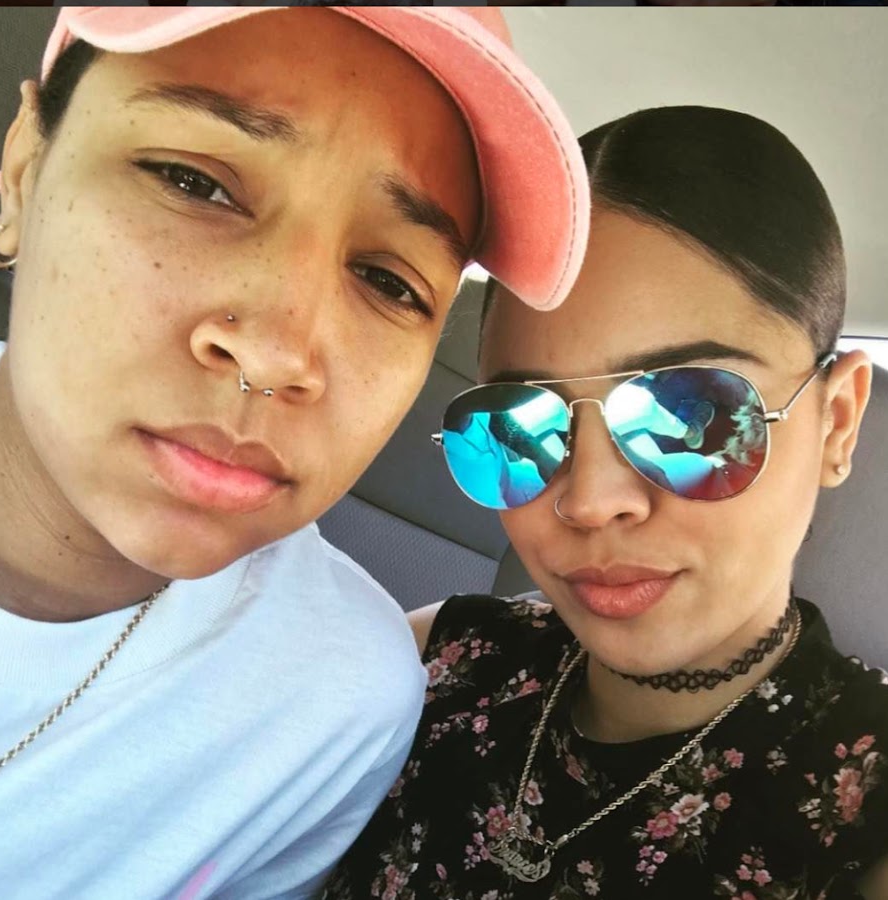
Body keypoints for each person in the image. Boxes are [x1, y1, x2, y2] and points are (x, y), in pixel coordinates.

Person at [0, 7, 590, 898]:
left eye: (389, 282)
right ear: (25, 172)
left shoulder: (340, 703)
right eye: (194, 183)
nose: (277, 355)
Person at [323, 106, 888, 899]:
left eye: (690, 418)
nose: (588, 501)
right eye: (519, 428)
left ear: (836, 423)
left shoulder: (866, 810)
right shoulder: (440, 656)